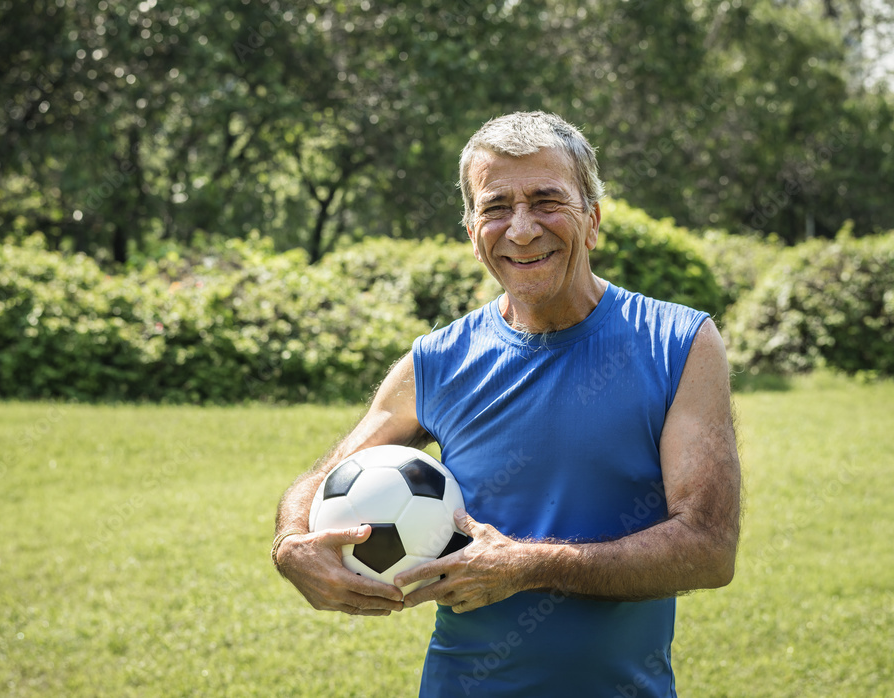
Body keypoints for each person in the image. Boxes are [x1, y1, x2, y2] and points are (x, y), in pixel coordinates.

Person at [272, 111, 742, 697]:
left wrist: (527, 565)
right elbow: (325, 480)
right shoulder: (436, 361)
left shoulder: (678, 344)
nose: (521, 229)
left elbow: (708, 548)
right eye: (496, 207)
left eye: (547, 201)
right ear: (473, 232)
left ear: (591, 220)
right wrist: (291, 542)